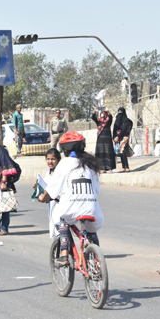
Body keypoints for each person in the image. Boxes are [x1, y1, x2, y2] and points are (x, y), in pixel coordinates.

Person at [38, 132, 104, 266]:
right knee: (90, 232)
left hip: (71, 208)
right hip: (92, 208)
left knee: (63, 219)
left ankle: (64, 254)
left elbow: (51, 189)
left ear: (65, 150)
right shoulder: (90, 164)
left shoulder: (64, 163)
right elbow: (97, 189)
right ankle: (97, 260)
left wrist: (43, 198)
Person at [36, 148, 62, 238]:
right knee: (55, 225)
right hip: (51, 204)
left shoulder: (60, 173)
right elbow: (45, 187)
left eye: (53, 159)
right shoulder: (48, 173)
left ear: (58, 160)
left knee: (60, 227)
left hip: (60, 204)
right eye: (48, 159)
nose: (50, 161)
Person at [92, 108, 116, 173]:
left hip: (107, 139)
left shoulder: (108, 121)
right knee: (101, 153)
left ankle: (110, 168)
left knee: (108, 153)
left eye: (104, 113)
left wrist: (108, 111)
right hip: (100, 139)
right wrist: (94, 112)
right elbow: (93, 118)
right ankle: (103, 168)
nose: (103, 114)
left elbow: (110, 116)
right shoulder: (99, 122)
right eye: (102, 113)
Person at [113, 107, 133, 172]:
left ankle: (127, 166)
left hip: (124, 137)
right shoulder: (117, 121)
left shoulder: (127, 121)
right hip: (117, 138)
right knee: (120, 152)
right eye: (118, 113)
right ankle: (123, 167)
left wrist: (118, 136)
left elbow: (125, 130)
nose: (119, 115)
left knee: (123, 151)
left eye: (121, 113)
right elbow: (114, 129)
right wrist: (114, 137)